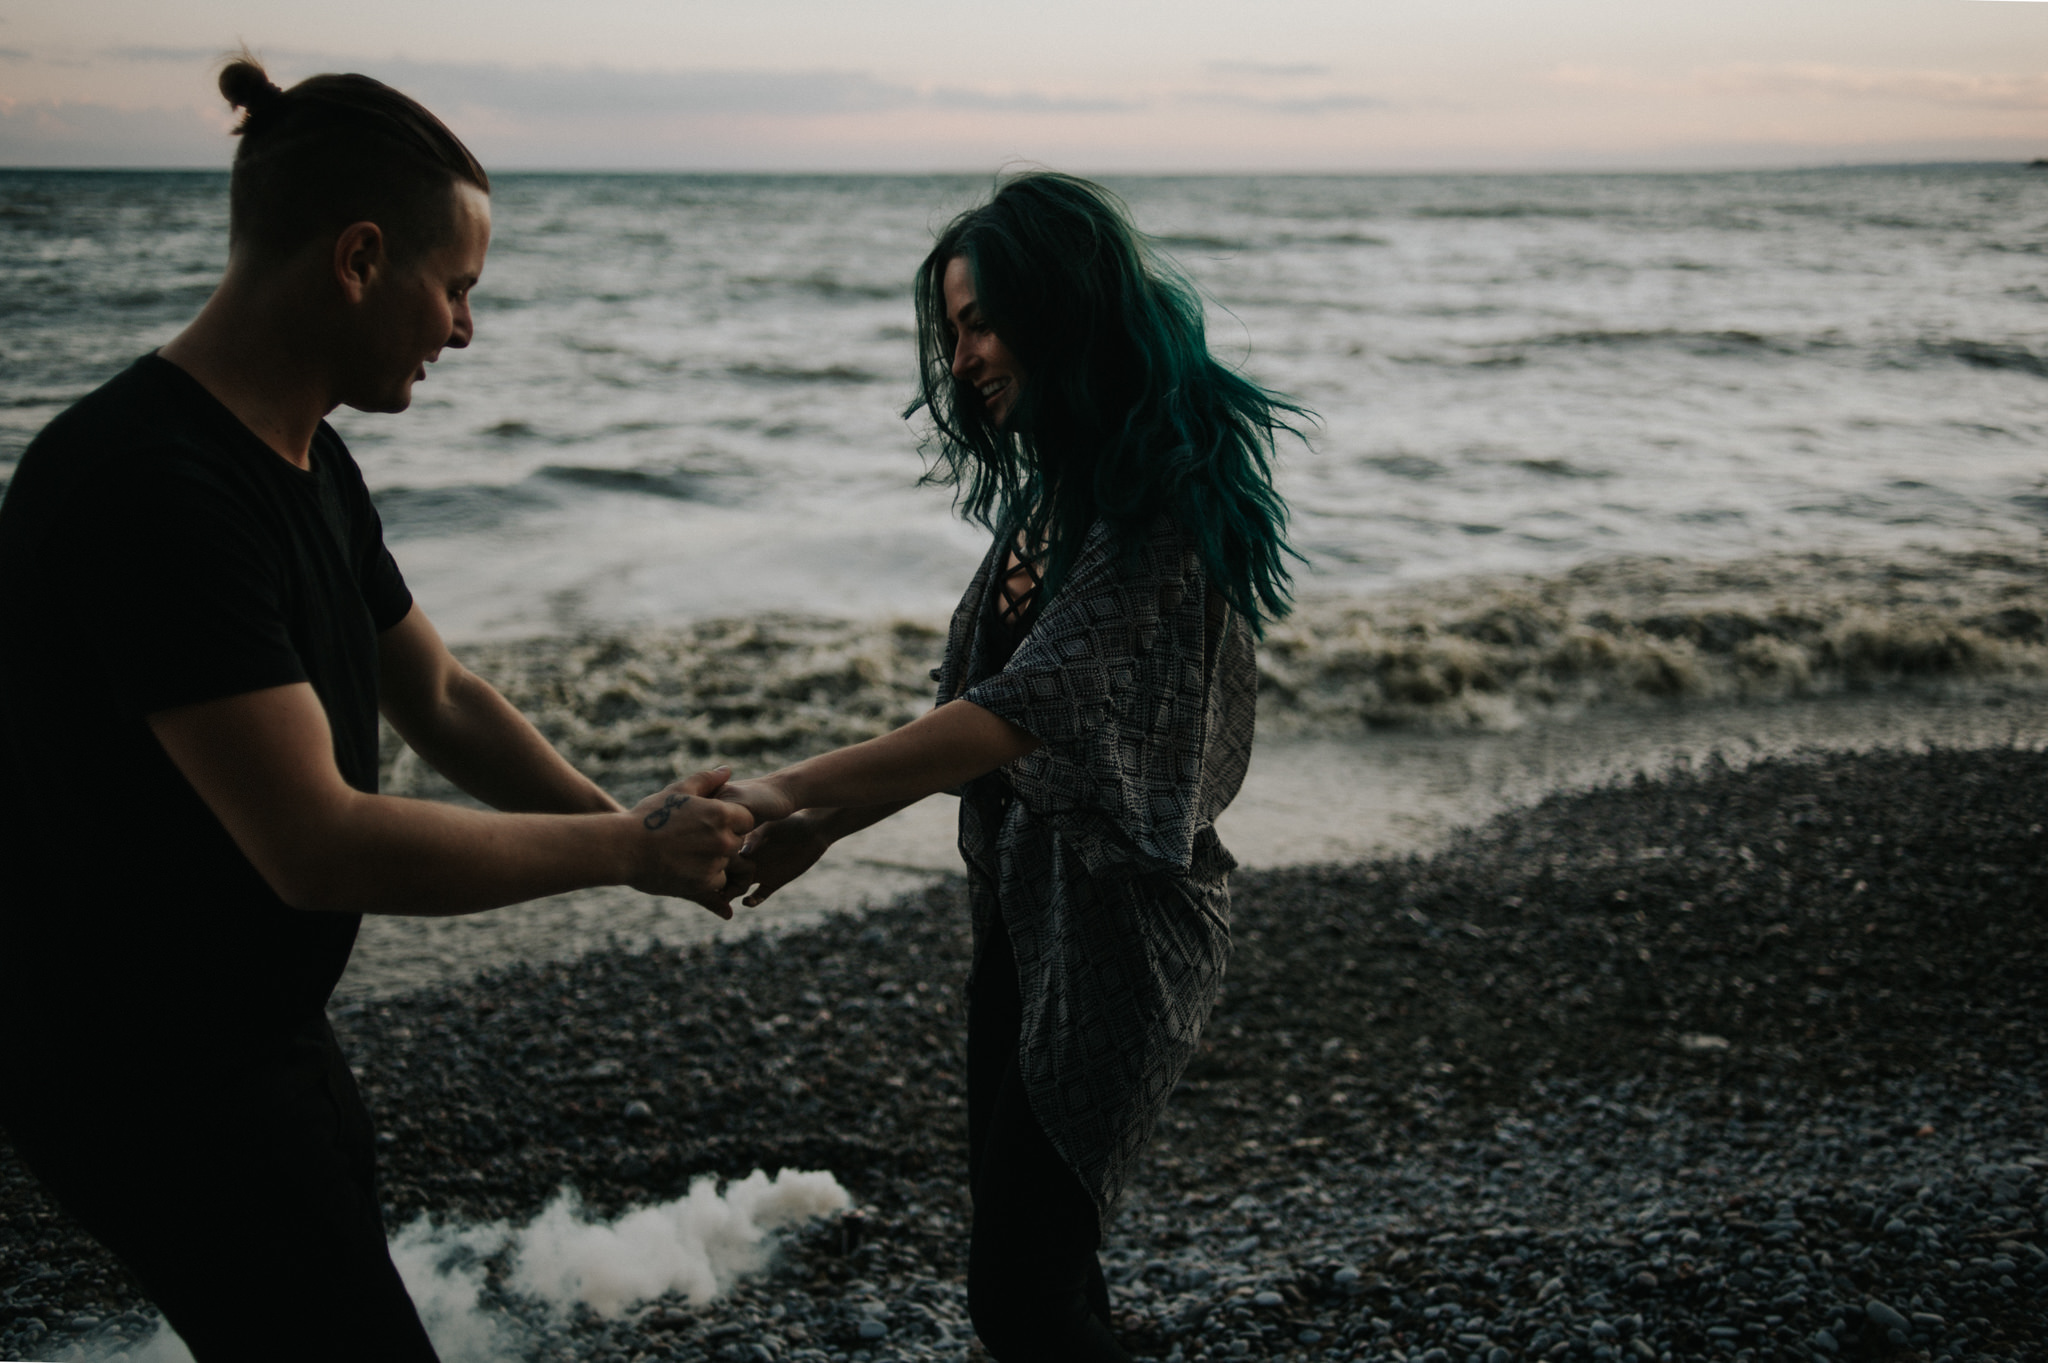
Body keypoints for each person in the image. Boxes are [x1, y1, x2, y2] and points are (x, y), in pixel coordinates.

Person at [0, 56, 752, 1362]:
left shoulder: (304, 456)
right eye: (456, 288)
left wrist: (643, 828)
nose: (464, 328)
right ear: (359, 257)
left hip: (252, 1028)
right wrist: (625, 849)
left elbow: (444, 694)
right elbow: (320, 842)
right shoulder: (151, 489)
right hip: (141, 1064)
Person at [719, 172, 1305, 1361]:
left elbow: (1013, 713)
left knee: (1016, 1291)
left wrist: (783, 787)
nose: (965, 353)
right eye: (951, 329)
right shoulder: (1050, 497)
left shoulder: (1159, 505)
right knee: (1043, 1249)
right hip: (1022, 904)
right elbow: (962, 706)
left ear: (1060, 307)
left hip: (1122, 926)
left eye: (982, 320)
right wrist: (822, 828)